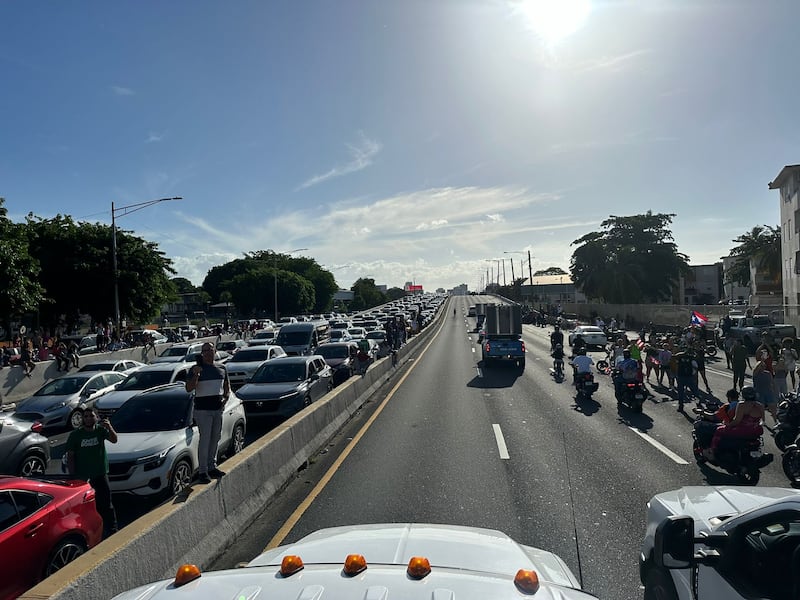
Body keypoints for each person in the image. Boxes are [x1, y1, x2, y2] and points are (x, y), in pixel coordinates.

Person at [65, 408, 119, 537]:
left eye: (91, 416)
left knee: (106, 504)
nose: (89, 418)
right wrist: (73, 477)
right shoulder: (76, 435)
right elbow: (70, 456)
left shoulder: (101, 431)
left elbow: (114, 440)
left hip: (100, 473)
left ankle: (112, 529)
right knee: (86, 506)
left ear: (96, 417)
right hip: (83, 477)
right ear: (83, 419)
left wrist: (109, 427)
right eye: (86, 416)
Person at [185, 342, 231, 484]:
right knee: (205, 440)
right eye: (205, 351)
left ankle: (212, 466)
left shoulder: (222, 368)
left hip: (217, 409)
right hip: (203, 410)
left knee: (215, 438)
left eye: (210, 350)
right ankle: (203, 471)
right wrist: (196, 375)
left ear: (214, 351)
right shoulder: (195, 369)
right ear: (201, 353)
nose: (208, 353)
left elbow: (226, 386)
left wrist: (225, 398)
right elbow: (188, 388)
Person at [707, 386, 764, 458]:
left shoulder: (742, 405)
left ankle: (712, 451)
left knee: (719, 430)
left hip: (742, 430)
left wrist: (728, 425)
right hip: (755, 430)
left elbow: (737, 421)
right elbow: (762, 421)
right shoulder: (760, 405)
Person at [752, 351, 779, 425]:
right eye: (761, 366)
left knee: (772, 407)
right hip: (759, 392)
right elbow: (756, 369)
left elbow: (772, 383)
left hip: (768, 392)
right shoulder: (756, 374)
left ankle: (776, 421)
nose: (763, 367)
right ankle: (763, 420)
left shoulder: (768, 373)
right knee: (761, 407)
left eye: (763, 366)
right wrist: (762, 360)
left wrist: (774, 391)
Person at [674, 346, 700, 412]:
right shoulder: (682, 356)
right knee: (684, 392)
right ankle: (681, 406)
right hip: (684, 376)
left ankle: (697, 405)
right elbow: (676, 356)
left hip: (686, 376)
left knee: (692, 392)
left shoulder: (689, 357)